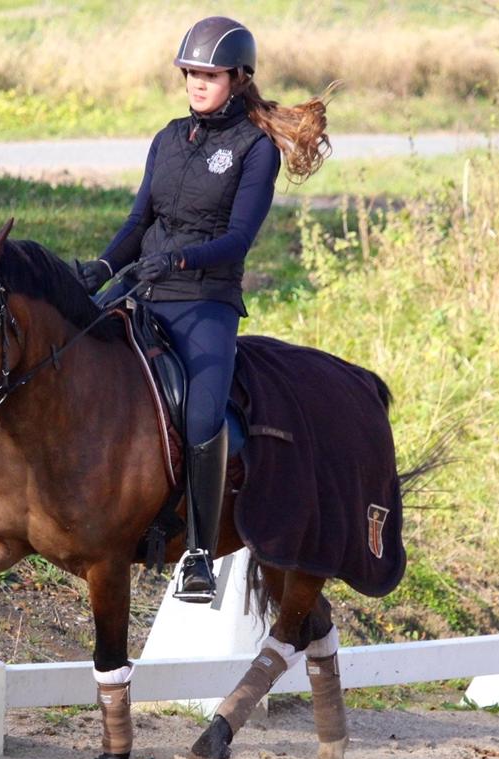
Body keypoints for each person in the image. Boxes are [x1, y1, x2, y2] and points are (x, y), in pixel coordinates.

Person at [78, 16, 335, 602]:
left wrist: (180, 263)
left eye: (209, 74)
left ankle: (196, 551)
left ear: (239, 78)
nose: (196, 83)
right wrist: (102, 267)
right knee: (62, 347)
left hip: (205, 302)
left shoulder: (254, 149)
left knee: (200, 418)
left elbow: (238, 239)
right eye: (190, 72)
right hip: (143, 285)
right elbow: (138, 222)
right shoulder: (168, 138)